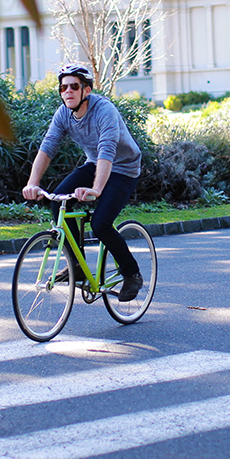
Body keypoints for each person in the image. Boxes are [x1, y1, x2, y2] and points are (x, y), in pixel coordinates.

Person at [22, 63, 144, 301]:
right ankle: (77, 266)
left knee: (101, 224)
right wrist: (32, 183)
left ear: (86, 90)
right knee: (58, 201)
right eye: (63, 87)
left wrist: (96, 190)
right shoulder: (63, 114)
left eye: (74, 86)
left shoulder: (104, 111)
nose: (67, 91)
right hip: (94, 163)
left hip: (124, 168)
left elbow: (107, 150)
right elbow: (47, 148)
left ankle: (132, 274)